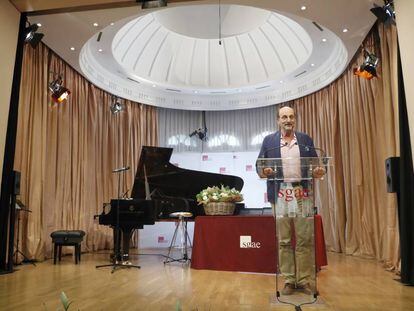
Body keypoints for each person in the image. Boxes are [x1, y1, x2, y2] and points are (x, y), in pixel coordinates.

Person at [257, 105, 325, 295]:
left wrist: (318, 171)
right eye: (284, 117)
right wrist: (264, 171)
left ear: (295, 119)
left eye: (291, 116)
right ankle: (288, 279)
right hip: (280, 194)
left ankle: (303, 280)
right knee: (284, 240)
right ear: (278, 120)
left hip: (302, 192)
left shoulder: (305, 139)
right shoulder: (269, 141)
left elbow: (315, 164)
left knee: (304, 239)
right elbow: (259, 165)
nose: (288, 120)